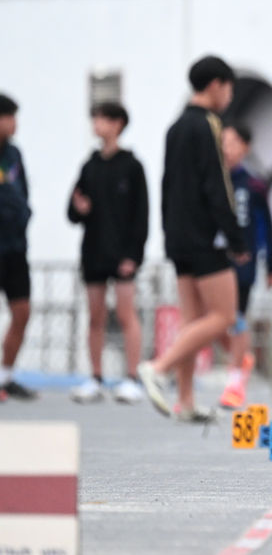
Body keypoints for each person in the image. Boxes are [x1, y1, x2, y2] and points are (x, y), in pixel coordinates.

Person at [137, 56, 249, 422]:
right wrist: (235, 238)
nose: (229, 96)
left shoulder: (175, 127)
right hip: (205, 236)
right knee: (224, 315)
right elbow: (218, 186)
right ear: (216, 85)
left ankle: (185, 401)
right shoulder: (209, 125)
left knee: (194, 319)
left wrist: (169, 233)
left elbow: (167, 183)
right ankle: (159, 367)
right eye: (229, 88)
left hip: (178, 235)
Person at [67, 102, 149, 404]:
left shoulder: (133, 166)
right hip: (93, 252)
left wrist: (134, 256)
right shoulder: (89, 166)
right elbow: (72, 211)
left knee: (127, 314)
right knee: (95, 317)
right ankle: (96, 378)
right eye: (95, 119)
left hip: (123, 254)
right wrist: (79, 209)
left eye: (101, 119)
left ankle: (132, 377)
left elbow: (142, 215)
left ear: (117, 124)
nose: (96, 125)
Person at [217, 123, 272, 409]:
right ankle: (241, 359)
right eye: (223, 142)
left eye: (232, 143)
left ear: (245, 147)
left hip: (244, 263)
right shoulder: (214, 181)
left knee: (237, 318)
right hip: (215, 262)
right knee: (214, 321)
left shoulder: (254, 185)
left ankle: (235, 380)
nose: (226, 149)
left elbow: (268, 227)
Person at [0, 93, 35, 401]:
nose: (14, 124)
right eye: (9, 117)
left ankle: (5, 376)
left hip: (15, 248)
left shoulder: (14, 154)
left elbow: (23, 192)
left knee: (22, 311)